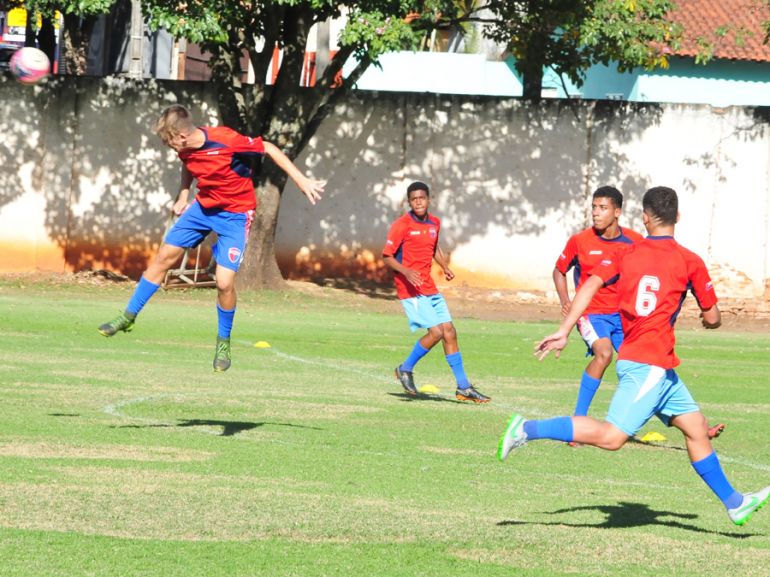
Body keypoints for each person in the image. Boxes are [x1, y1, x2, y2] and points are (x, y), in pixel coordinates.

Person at [498, 186, 768, 526]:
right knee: (612, 438)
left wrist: (565, 329)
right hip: (649, 364)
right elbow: (713, 318)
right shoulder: (690, 261)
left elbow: (590, 287)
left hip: (653, 364)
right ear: (678, 217)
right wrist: (704, 318)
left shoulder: (626, 253)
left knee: (697, 428)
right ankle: (526, 429)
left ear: (644, 217)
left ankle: (735, 502)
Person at [98, 104, 325, 372]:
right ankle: (128, 316)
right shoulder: (185, 150)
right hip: (202, 209)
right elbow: (189, 167)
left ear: (181, 136)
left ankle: (223, 342)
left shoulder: (225, 139)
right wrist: (183, 195)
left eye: (168, 140)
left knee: (224, 282)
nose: (168, 146)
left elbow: (269, 148)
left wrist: (302, 181)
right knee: (162, 259)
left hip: (235, 215)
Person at [554, 187, 724, 439]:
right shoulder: (581, 241)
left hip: (626, 319)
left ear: (619, 212)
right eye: (594, 207)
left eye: (603, 208)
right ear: (677, 216)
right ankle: (576, 419)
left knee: (648, 375)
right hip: (593, 313)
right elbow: (563, 272)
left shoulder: (632, 244)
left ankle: (695, 426)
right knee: (605, 355)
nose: (596, 213)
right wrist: (566, 304)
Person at [383, 181, 490, 403]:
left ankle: (463, 387)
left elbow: (433, 248)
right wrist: (406, 272)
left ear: (429, 199)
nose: (418, 202)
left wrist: (444, 266)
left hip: (429, 286)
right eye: (414, 199)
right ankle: (405, 368)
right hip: (409, 289)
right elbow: (387, 256)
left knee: (449, 331)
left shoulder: (434, 223)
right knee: (437, 332)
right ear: (409, 202)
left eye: (422, 197)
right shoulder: (401, 225)